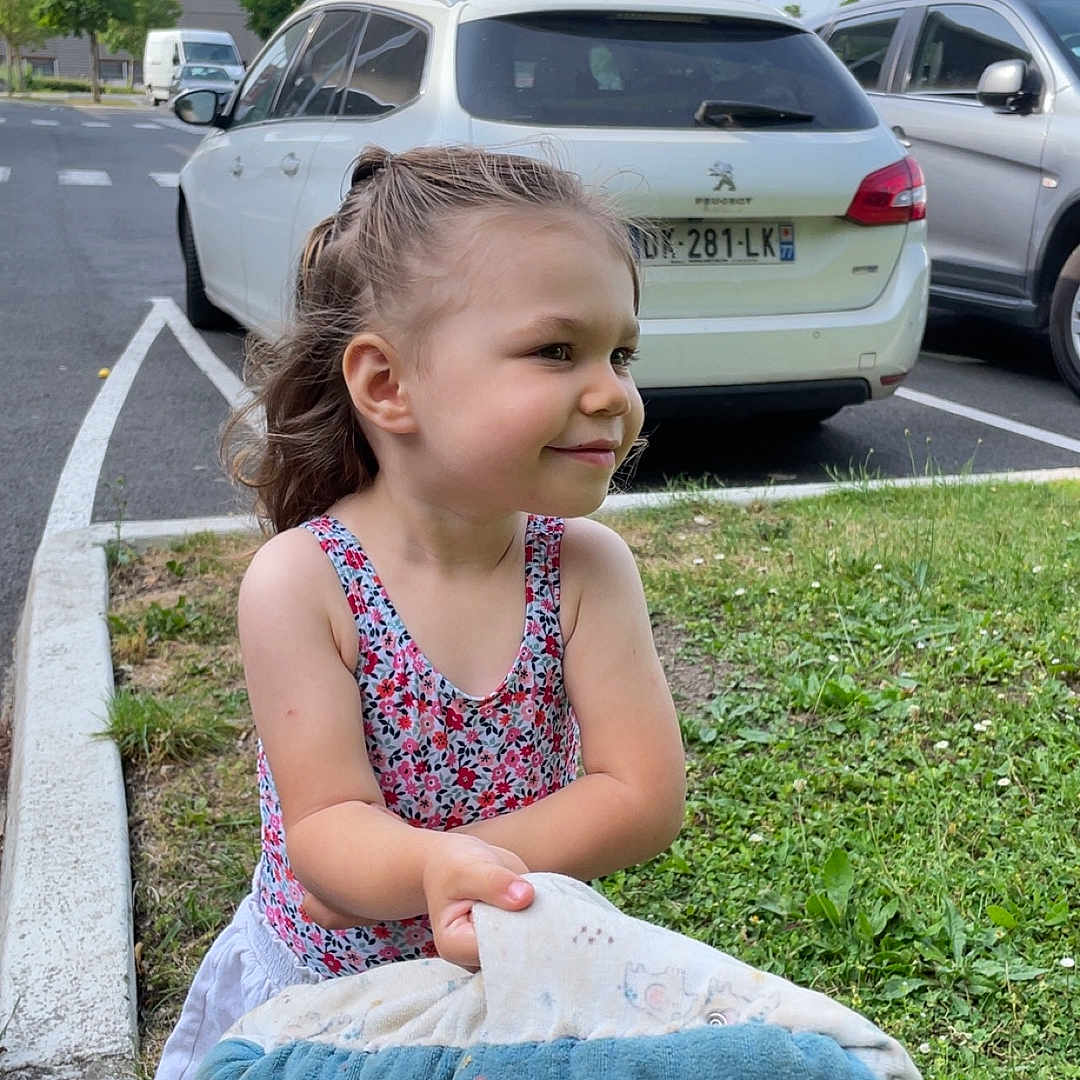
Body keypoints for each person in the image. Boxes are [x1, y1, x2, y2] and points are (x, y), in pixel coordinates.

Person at [154, 144, 687, 1080]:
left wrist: (458, 866)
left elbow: (642, 796)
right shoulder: (304, 582)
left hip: (520, 975)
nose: (613, 393)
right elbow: (328, 829)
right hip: (333, 1004)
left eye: (621, 353)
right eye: (556, 351)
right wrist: (424, 874)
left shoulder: (585, 571)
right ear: (387, 385)